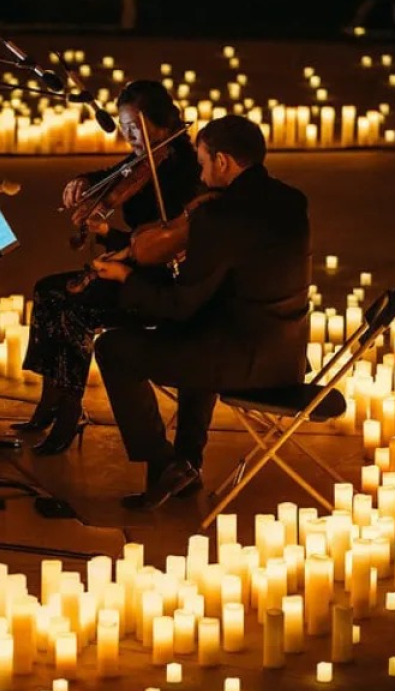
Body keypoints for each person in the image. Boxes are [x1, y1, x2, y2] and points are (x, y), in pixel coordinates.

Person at [87, 115, 311, 510]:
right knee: (198, 337)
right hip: (285, 356)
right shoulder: (291, 201)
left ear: (223, 161)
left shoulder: (220, 215)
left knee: (114, 348)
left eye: (204, 162)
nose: (202, 173)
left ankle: (166, 461)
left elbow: (178, 303)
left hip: (245, 362)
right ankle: (186, 465)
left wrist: (125, 277)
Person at [17, 80, 202, 455]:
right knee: (47, 291)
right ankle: (51, 401)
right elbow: (113, 175)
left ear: (162, 125)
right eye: (124, 127)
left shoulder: (183, 170)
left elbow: (157, 247)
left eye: (135, 127)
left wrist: (108, 237)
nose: (128, 136)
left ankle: (70, 413)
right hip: (132, 266)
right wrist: (82, 182)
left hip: (156, 282)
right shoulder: (144, 160)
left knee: (73, 310)